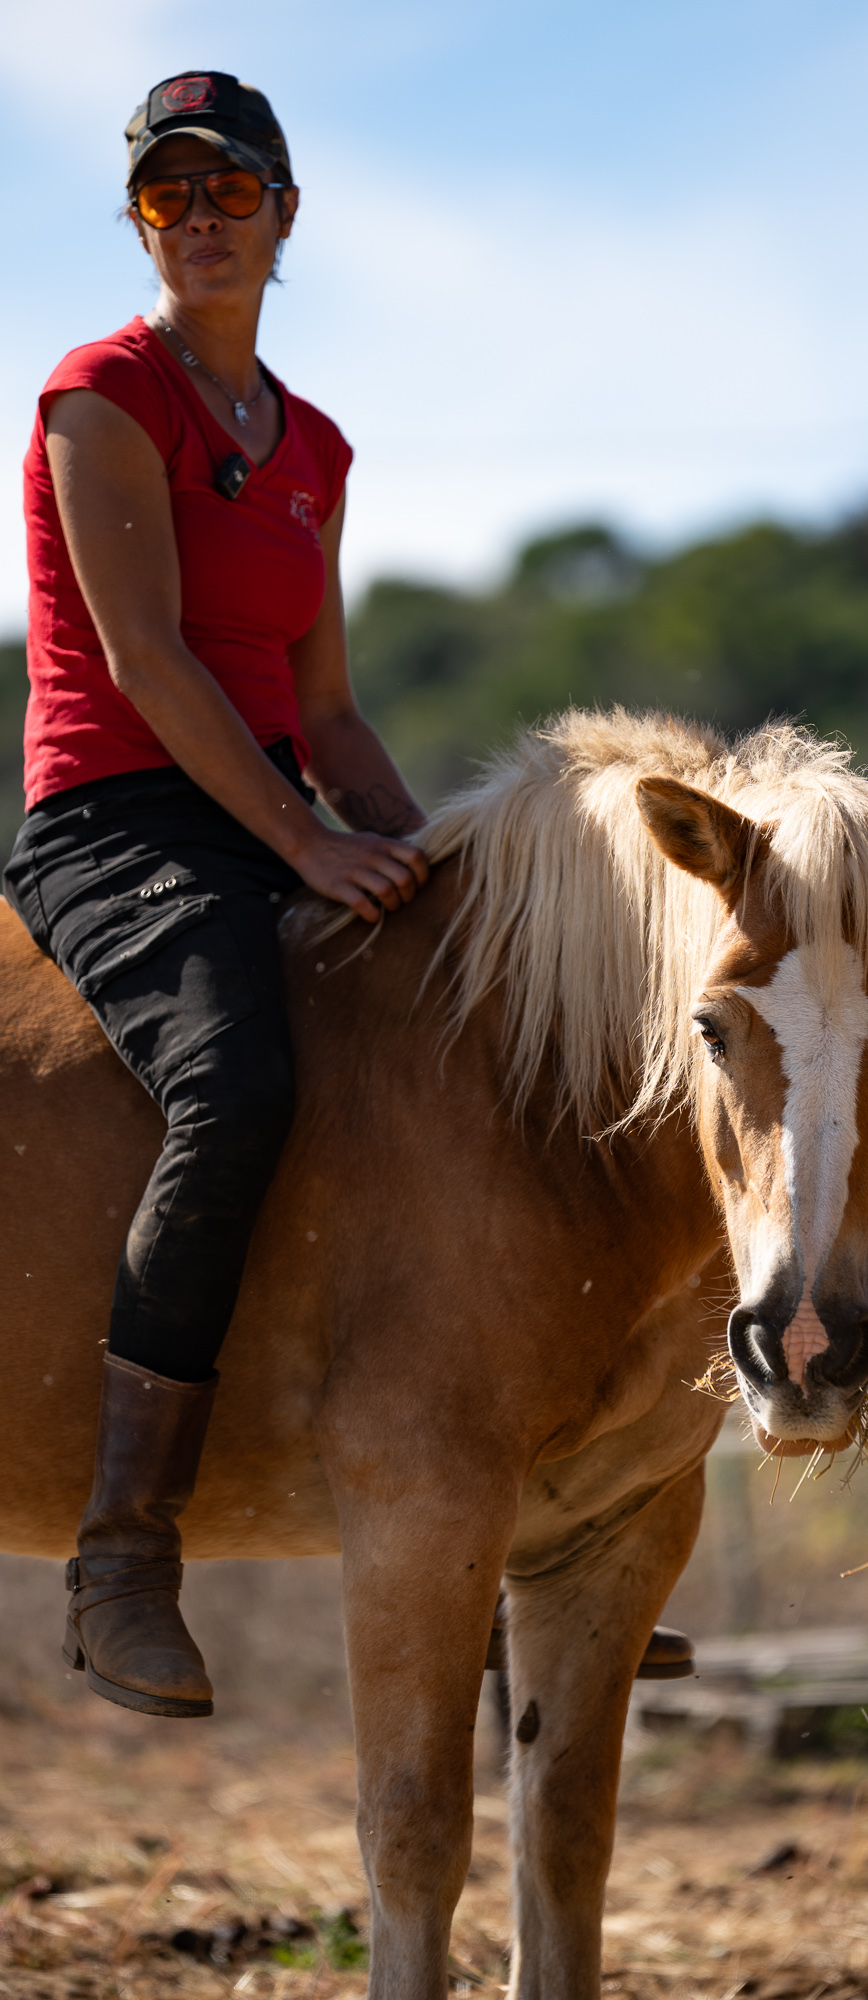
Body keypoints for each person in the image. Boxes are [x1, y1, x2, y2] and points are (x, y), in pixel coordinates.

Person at [5, 72, 431, 1719]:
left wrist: (430, 851)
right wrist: (314, 846)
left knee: (473, 1031)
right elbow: (147, 660)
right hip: (115, 819)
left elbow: (327, 716)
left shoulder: (316, 445)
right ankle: (121, 1553)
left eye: (228, 192)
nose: (199, 220)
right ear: (139, 225)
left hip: (261, 816)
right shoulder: (98, 392)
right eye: (167, 198)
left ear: (285, 213)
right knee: (236, 1081)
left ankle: (532, 1502)